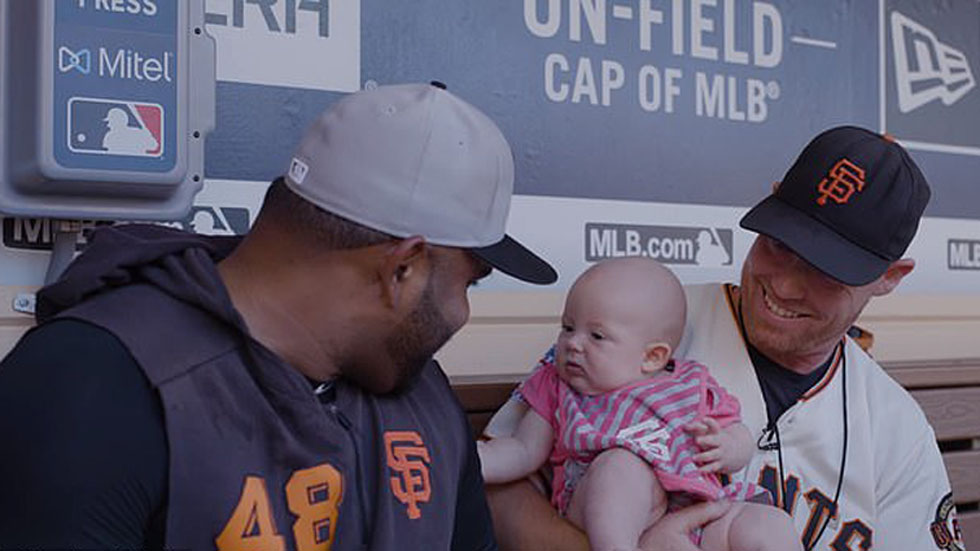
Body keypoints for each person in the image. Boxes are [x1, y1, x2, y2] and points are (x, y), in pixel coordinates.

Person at [0, 83, 557, 550]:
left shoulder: (421, 396)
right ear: (403, 269)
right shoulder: (90, 383)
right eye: (468, 283)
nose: (461, 313)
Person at [484, 126, 963, 551]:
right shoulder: (638, 320)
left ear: (889, 277)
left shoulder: (897, 431)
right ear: (773, 201)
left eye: (828, 270)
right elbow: (498, 492)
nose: (786, 284)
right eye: (780, 243)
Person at [478, 258, 801, 551]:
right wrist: (468, 458)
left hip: (695, 511)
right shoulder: (559, 387)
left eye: (597, 336)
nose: (573, 343)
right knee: (622, 464)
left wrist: (727, 447)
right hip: (611, 516)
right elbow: (522, 451)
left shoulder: (689, 384)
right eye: (567, 328)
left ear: (652, 356)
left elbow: (738, 434)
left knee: (772, 524)